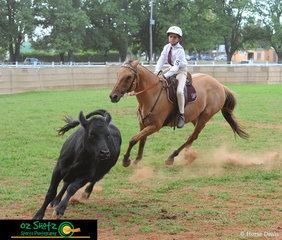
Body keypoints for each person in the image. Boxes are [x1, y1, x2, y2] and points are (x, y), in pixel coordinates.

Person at [154, 26, 188, 128]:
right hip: (171, 69)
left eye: (174, 37)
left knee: (179, 92)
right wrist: (157, 71)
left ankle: (181, 115)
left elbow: (176, 67)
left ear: (179, 39)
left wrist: (164, 76)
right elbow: (161, 60)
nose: (172, 39)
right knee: (155, 79)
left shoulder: (180, 51)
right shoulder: (166, 47)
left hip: (180, 71)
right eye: (170, 36)